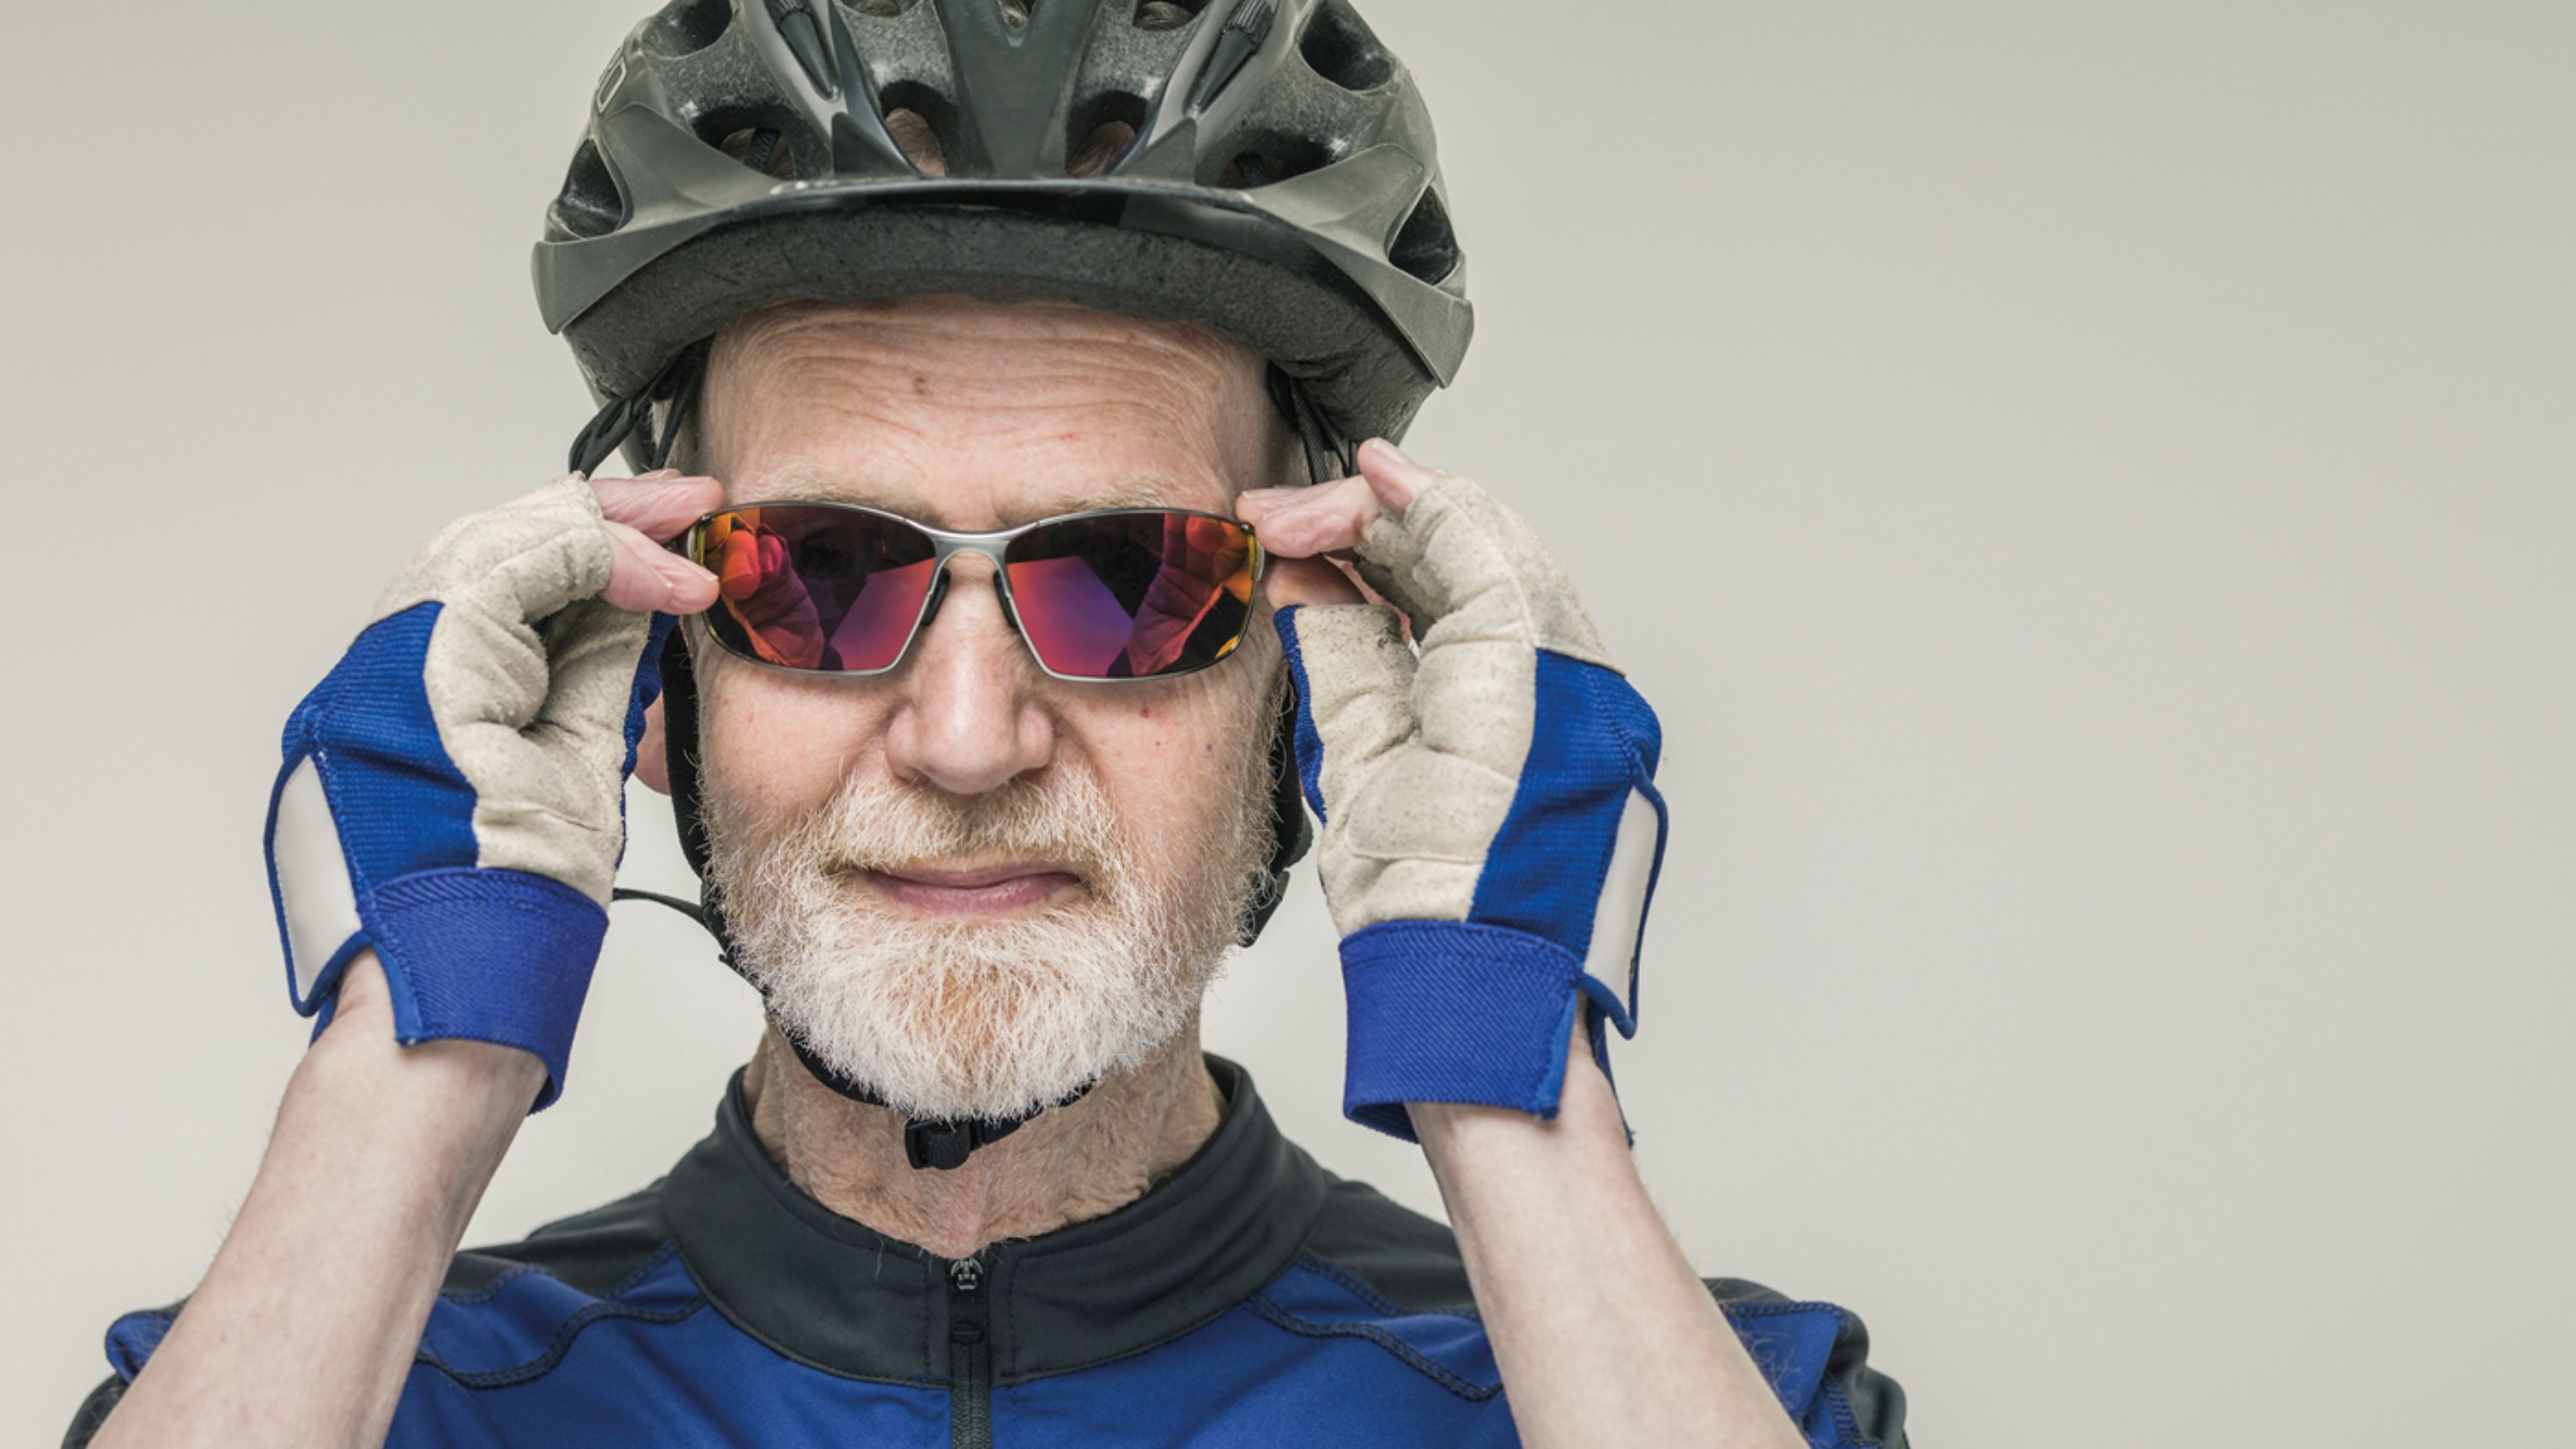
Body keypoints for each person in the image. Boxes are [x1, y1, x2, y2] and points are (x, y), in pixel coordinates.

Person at [67, 2, 1909, 1445]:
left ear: (1316, 686)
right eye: (818, 575)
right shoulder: (350, 1394)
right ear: (641, 687)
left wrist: (1512, 1071)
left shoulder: (1712, 1393)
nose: (967, 737)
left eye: (1134, 578)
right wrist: (409, 1062)